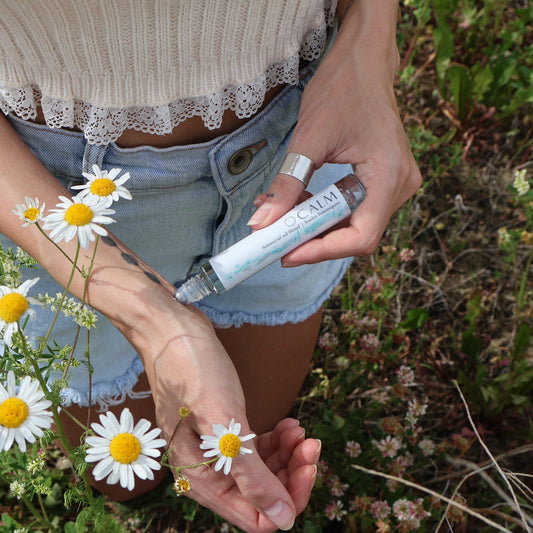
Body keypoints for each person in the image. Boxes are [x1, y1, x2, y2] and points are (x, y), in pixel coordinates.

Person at [0, 1, 421, 531]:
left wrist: (368, 45)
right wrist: (153, 320)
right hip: (62, 200)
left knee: (256, 427)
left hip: (299, 138)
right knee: (123, 477)